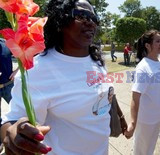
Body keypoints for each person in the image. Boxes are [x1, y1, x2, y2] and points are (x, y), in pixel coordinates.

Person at [1, 0, 118, 154]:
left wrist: (118, 116)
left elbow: (102, 93)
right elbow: (13, 122)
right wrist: (13, 136)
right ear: (60, 20)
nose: (90, 23)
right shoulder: (37, 70)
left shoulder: (96, 60)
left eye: (94, 18)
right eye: (82, 15)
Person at [124, 30, 160, 155]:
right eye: (157, 41)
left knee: (149, 146)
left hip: (157, 115)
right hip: (146, 119)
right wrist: (133, 123)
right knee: (141, 148)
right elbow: (135, 97)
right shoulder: (143, 68)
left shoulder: (158, 61)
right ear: (148, 45)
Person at [0, 38, 18, 120]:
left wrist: (18, 71)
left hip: (8, 86)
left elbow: (24, 55)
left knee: (19, 112)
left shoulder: (7, 43)